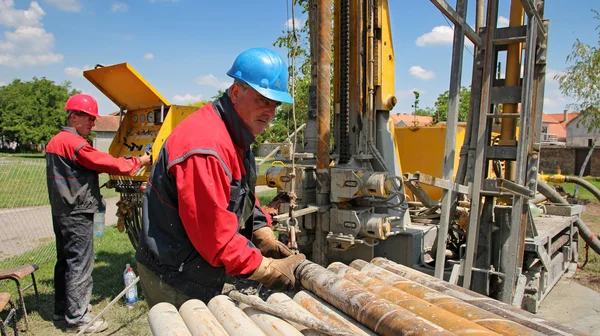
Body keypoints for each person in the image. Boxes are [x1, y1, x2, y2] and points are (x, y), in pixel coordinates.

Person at [135, 47, 306, 308]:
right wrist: (268, 269)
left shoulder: (235, 134)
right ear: (236, 93)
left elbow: (242, 193)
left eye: (275, 104)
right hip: (173, 276)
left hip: (195, 263)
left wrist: (261, 231)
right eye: (263, 100)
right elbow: (216, 238)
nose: (270, 113)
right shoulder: (205, 148)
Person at [46, 93, 151, 333]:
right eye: (89, 119)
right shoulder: (74, 143)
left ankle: (62, 312)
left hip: (61, 211)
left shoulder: (56, 140)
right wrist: (140, 161)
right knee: (80, 265)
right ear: (74, 116)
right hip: (77, 212)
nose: (93, 124)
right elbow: (107, 163)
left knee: (65, 262)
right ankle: (78, 319)